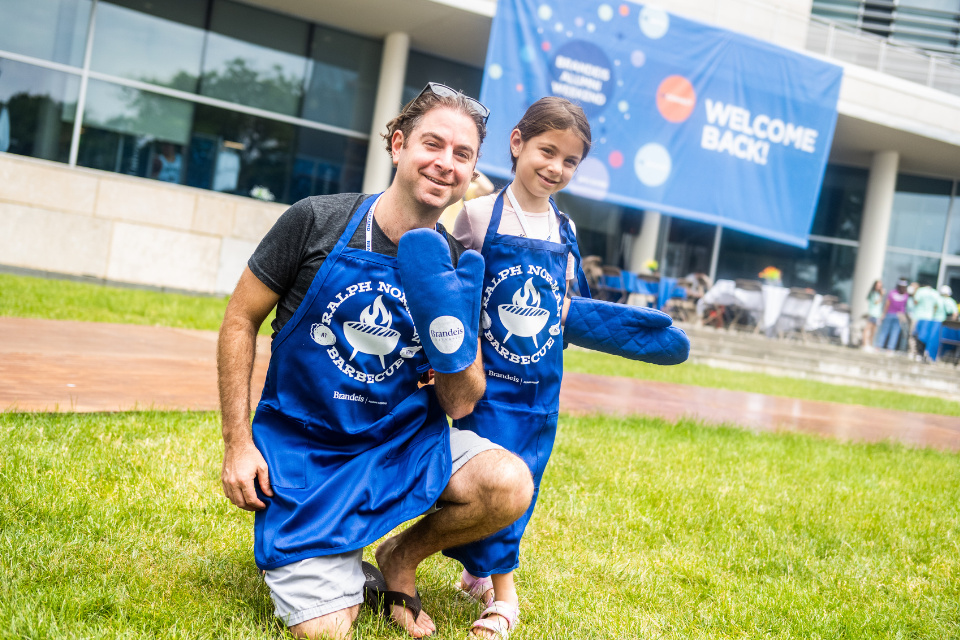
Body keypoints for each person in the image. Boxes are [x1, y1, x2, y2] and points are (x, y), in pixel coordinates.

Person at [217, 84, 536, 640]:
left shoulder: (462, 264)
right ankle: (333, 559)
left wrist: (450, 340)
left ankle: (398, 558)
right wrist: (238, 445)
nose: (446, 164)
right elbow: (239, 321)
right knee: (325, 631)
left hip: (402, 445)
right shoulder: (315, 220)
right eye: (432, 144)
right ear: (397, 145)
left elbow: (462, 401)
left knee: (508, 483)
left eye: (463, 155)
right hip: (309, 451)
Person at [445, 97, 689, 639]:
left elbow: (563, 301)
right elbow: (454, 294)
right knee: (484, 480)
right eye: (546, 151)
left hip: (543, 387)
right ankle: (505, 596)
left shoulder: (565, 226)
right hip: (488, 386)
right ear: (517, 143)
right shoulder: (478, 214)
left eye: (570, 161)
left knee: (525, 481)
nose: (555, 168)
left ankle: (478, 571)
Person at [875, 278, 910, 351]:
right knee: (890, 331)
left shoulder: (895, 293)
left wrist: (884, 313)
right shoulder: (903, 294)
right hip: (894, 314)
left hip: (894, 315)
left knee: (889, 331)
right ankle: (885, 348)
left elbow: (888, 304)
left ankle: (883, 347)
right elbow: (889, 304)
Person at [908, 282, 940, 359]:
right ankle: (921, 353)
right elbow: (936, 306)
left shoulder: (920, 291)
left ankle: (912, 352)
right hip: (929, 318)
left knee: (913, 335)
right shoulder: (935, 293)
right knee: (924, 337)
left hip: (918, 316)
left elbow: (915, 302)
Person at [863, 279, 884, 350]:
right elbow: (876, 302)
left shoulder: (878, 294)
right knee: (867, 329)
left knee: (873, 331)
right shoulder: (873, 293)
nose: (879, 287)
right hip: (871, 314)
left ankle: (870, 345)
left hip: (877, 315)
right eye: (878, 285)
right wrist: (881, 295)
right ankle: (865, 344)